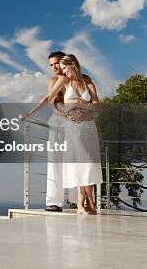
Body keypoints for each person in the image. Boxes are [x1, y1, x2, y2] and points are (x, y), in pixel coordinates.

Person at [48, 54, 103, 214]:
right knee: (81, 162)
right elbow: (53, 101)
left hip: (88, 126)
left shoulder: (86, 79)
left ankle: (90, 202)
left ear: (72, 64)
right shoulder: (62, 80)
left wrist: (83, 111)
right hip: (73, 127)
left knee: (90, 164)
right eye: (54, 65)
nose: (59, 69)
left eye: (61, 65)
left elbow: (95, 104)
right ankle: (81, 203)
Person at [23, 51, 67, 212]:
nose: (54, 67)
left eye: (56, 63)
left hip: (77, 124)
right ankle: (54, 201)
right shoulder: (54, 80)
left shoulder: (80, 79)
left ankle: (81, 200)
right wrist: (31, 113)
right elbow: (49, 98)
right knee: (55, 161)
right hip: (58, 122)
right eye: (51, 64)